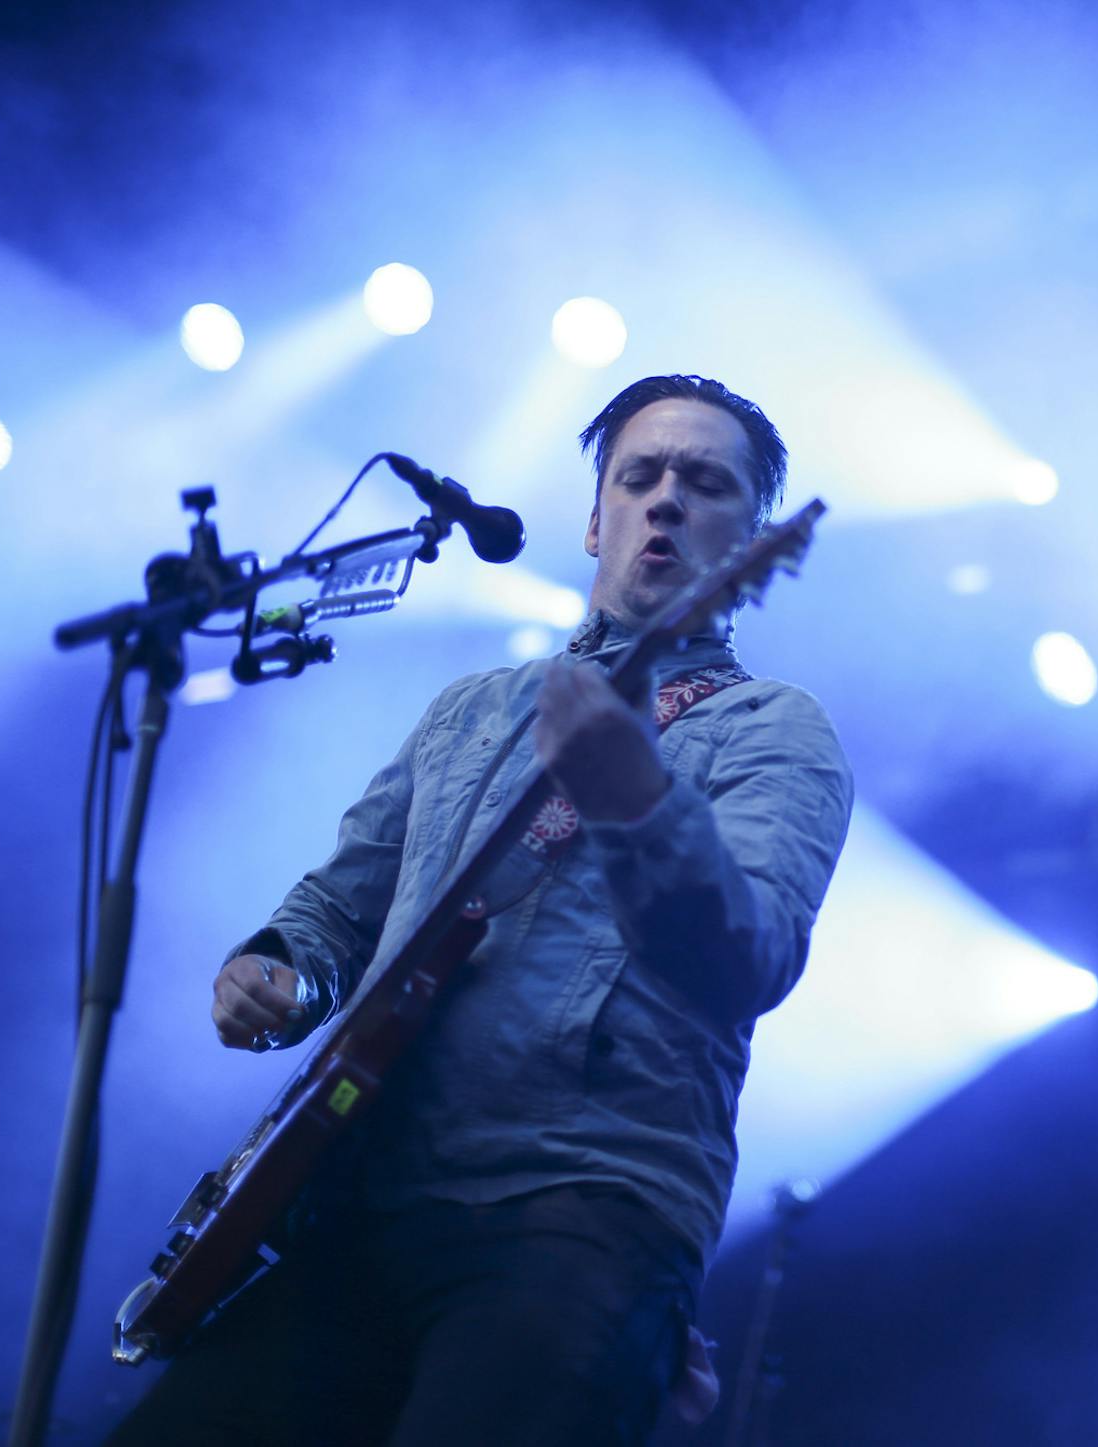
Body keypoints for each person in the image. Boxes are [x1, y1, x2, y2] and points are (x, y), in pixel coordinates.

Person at [109, 375, 854, 1446]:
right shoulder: (473, 708)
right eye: (638, 475)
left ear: (752, 537)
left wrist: (636, 802)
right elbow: (344, 898)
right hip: (357, 1193)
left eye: (705, 482)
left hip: (574, 1204)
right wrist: (282, 962)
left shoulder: (775, 728)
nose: (666, 500)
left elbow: (749, 954)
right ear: (596, 517)